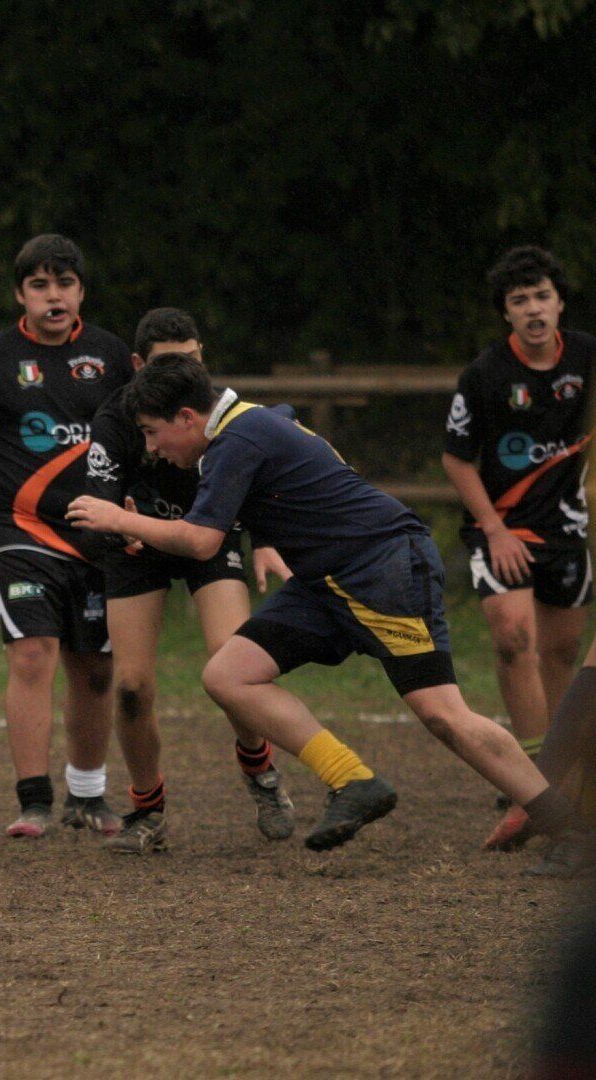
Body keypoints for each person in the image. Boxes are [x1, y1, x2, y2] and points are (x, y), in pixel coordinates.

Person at [66, 354, 591, 875]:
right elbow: (288, 423)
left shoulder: (235, 440)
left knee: (443, 715)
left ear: (186, 416)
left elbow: (202, 542)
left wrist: (114, 517)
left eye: (154, 432)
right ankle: (353, 781)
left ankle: (568, 828)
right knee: (229, 674)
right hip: (326, 580)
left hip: (380, 568)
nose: (152, 449)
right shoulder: (251, 422)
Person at [0, 234, 131, 839]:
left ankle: (88, 796)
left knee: (96, 669)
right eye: (40, 285)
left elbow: (142, 440)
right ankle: (33, 801)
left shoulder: (112, 356)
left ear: (81, 292)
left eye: (64, 284)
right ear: (21, 294)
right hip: (19, 532)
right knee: (32, 653)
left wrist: (139, 516)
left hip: (98, 535)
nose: (54, 296)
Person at [84, 310, 297, 853]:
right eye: (167, 365)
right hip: (141, 541)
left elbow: (264, 473)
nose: (184, 376)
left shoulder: (220, 410)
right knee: (130, 687)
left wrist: (267, 539)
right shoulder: (115, 420)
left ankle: (260, 770)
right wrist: (118, 531)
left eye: (193, 362)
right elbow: (96, 505)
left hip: (208, 535)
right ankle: (147, 810)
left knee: (232, 661)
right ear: (138, 367)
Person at [441, 245, 591, 829]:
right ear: (506, 313)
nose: (533, 309)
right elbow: (456, 460)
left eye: (542, 297)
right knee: (512, 637)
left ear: (559, 304)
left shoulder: (585, 357)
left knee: (560, 651)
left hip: (569, 529)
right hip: (501, 526)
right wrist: (496, 529)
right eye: (520, 300)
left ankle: (559, 773)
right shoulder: (485, 375)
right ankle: (530, 784)